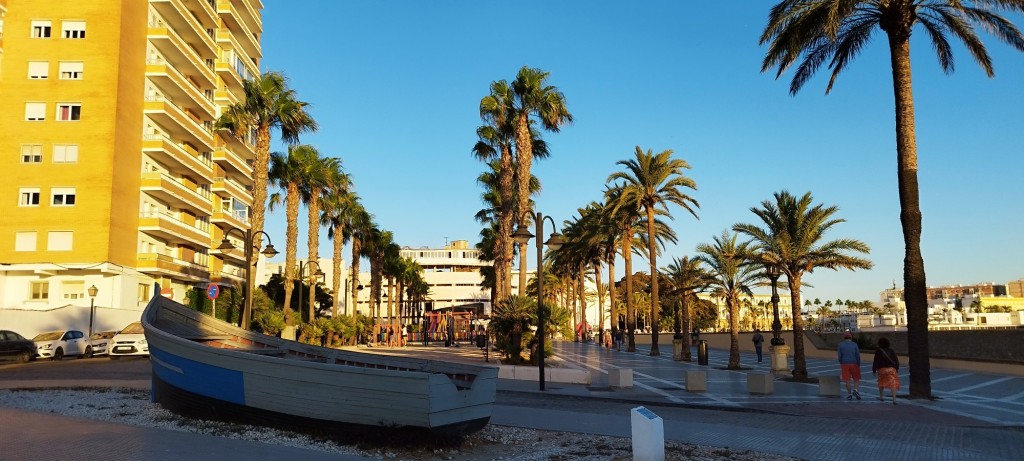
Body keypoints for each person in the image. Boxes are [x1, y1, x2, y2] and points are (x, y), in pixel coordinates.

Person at [872, 337, 900, 405]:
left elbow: (876, 361)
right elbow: (896, 360)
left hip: (882, 369)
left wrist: (874, 370)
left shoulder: (878, 351)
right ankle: (894, 399)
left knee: (881, 382)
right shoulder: (891, 350)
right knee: (893, 383)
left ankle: (881, 396)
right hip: (891, 369)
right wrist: (896, 368)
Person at [837, 331, 862, 400]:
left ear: (844, 337)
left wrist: (841, 362)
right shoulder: (854, 345)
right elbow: (857, 355)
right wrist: (858, 364)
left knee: (847, 379)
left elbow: (839, 356)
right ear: (851, 337)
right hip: (854, 363)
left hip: (845, 363)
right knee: (856, 378)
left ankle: (849, 394)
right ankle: (856, 390)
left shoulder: (840, 345)